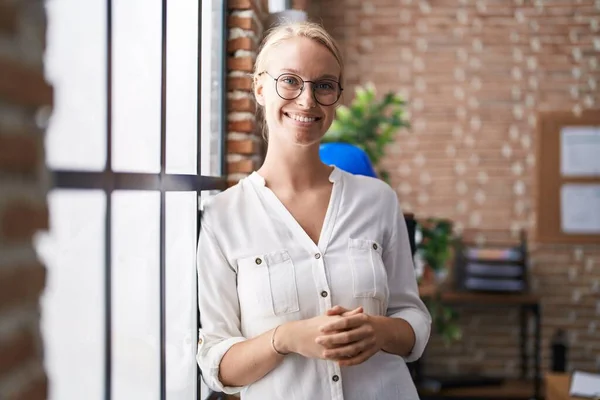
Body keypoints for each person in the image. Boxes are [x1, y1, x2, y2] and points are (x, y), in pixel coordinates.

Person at [196, 21, 431, 400]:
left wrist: (379, 331)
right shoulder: (223, 215)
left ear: (336, 96)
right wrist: (284, 339)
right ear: (259, 87)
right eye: (289, 80)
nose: (307, 101)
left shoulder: (378, 200)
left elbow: (413, 319)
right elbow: (217, 364)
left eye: (324, 85)